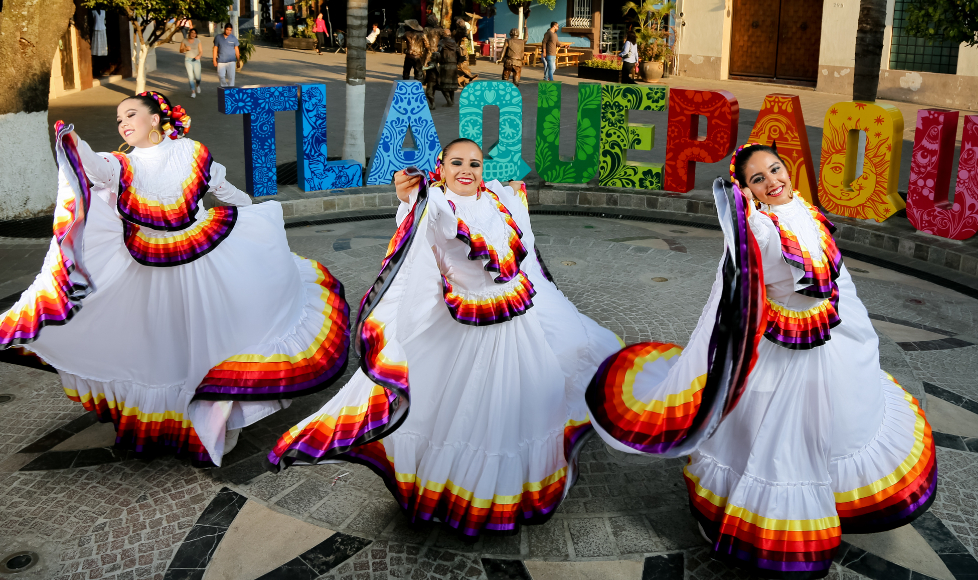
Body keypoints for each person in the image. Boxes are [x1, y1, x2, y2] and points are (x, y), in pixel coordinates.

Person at [585, 143, 938, 579]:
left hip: (829, 339)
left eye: (775, 169)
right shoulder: (760, 230)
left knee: (834, 425)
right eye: (758, 179)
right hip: (780, 346)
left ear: (787, 169)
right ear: (747, 190)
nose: (772, 182)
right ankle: (772, 524)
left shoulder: (802, 208)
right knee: (778, 438)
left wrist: (857, 330)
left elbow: (835, 276)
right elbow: (741, 281)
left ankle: (829, 496)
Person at [267, 139, 623, 539]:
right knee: (466, 409)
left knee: (510, 406)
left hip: (514, 324)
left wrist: (512, 192)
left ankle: (503, 491)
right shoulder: (436, 205)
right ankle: (457, 491)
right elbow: (413, 226)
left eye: (474, 163)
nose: (466, 169)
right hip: (466, 324)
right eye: (457, 162)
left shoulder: (495, 201)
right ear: (442, 167)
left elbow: (517, 231)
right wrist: (406, 196)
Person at [0, 92, 351, 467]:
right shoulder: (122, 164)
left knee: (220, 337)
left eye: (130, 114)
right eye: (119, 119)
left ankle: (224, 417)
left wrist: (254, 214)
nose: (123, 123)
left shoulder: (191, 151)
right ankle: (178, 419)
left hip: (206, 255)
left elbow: (221, 187)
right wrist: (73, 142)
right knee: (166, 347)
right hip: (151, 267)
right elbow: (94, 168)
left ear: (155, 119)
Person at [180, 29, 203, 98]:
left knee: (198, 77)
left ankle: (197, 85)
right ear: (189, 33)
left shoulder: (198, 41)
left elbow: (201, 51)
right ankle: (193, 92)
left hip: (196, 59)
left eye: (195, 33)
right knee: (191, 77)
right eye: (192, 32)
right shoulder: (184, 40)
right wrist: (185, 49)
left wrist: (199, 56)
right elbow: (180, 50)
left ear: (196, 34)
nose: (193, 34)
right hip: (188, 60)